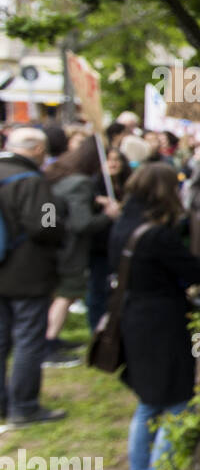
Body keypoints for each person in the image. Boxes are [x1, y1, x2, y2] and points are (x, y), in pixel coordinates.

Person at [109, 163, 200, 470]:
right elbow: (195, 270)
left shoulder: (122, 225)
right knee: (178, 402)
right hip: (163, 322)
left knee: (148, 403)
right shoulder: (157, 235)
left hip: (134, 317)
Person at [0, 128, 66, 425]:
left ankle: (4, 402)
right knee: (28, 339)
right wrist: (58, 221)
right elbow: (46, 225)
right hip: (26, 273)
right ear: (38, 149)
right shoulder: (33, 181)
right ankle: (24, 406)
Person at [43, 137, 123, 367]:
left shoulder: (59, 174)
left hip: (53, 242)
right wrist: (108, 215)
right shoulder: (80, 182)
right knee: (65, 295)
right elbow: (82, 224)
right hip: (70, 248)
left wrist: (94, 202)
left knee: (59, 295)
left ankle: (50, 339)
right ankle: (48, 345)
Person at [87, 146, 128, 332]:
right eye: (109, 159)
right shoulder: (93, 185)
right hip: (100, 244)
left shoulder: (128, 184)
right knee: (98, 286)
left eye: (117, 159)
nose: (113, 163)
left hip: (121, 242)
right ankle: (96, 326)